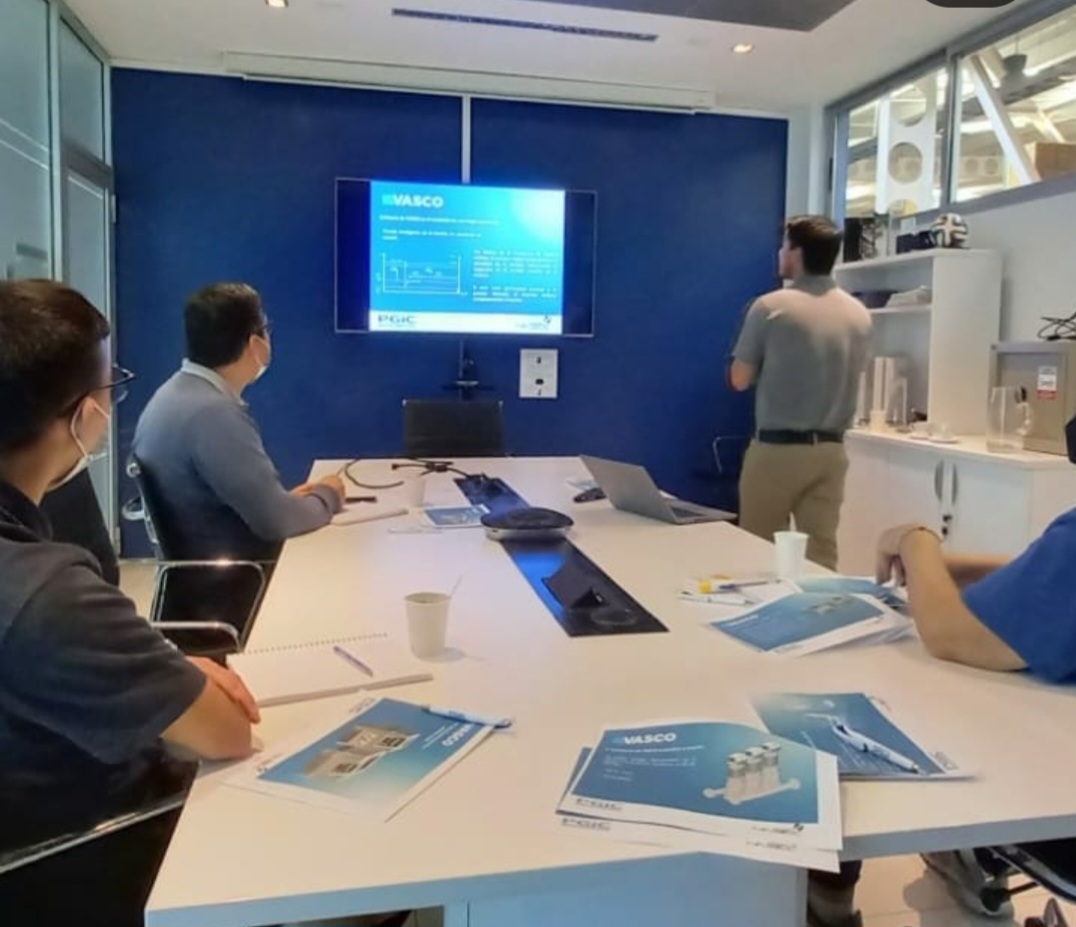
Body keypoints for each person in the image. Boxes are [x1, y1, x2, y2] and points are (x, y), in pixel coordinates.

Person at [0, 280, 260, 920]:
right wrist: (172, 682)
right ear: (82, 414)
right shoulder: (47, 592)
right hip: (103, 853)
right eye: (110, 388)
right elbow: (225, 734)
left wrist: (153, 667)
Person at [812, 515, 1076, 927]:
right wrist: (940, 569)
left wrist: (915, 542)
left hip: (1058, 815)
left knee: (869, 696)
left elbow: (948, 633)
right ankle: (972, 859)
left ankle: (825, 894)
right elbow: (1052, 580)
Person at [132, 282, 345, 565]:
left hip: (207, 567)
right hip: (237, 573)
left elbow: (267, 510)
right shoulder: (212, 415)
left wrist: (281, 503)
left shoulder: (173, 395)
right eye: (266, 328)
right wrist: (328, 494)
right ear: (256, 344)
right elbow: (278, 522)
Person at [729, 216, 871, 570]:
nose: (780, 253)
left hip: (777, 451)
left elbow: (739, 379)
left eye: (784, 246)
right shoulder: (858, 314)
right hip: (831, 452)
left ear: (796, 252)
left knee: (757, 553)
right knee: (820, 556)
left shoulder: (770, 307)